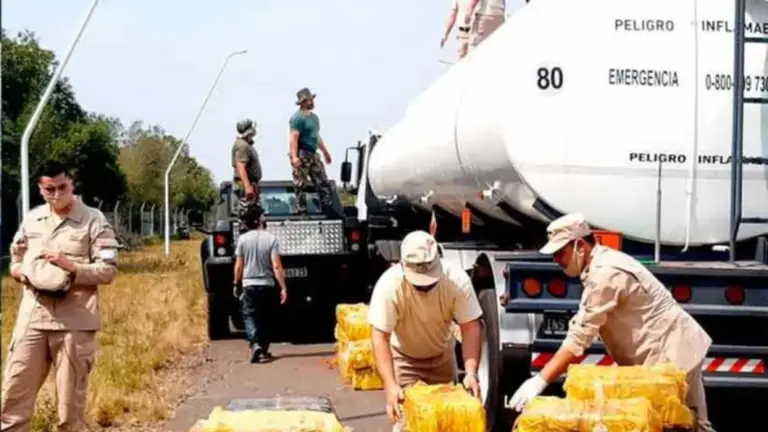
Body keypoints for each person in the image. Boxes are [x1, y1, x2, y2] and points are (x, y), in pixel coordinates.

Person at [508, 213, 714, 432]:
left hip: (671, 353)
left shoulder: (605, 274)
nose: (556, 260)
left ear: (580, 245)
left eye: (559, 253)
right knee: (687, 424)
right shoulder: (602, 263)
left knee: (672, 424)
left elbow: (579, 338)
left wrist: (541, 380)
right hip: (667, 351)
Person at [2, 160, 119, 431]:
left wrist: (72, 268)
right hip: (33, 318)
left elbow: (109, 271)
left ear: (72, 184)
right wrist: (23, 273)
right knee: (12, 399)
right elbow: (16, 259)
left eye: (62, 187)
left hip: (73, 322)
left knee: (70, 411)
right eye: (49, 189)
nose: (56, 194)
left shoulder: (94, 220)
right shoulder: (32, 219)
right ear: (40, 189)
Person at [367, 230, 484, 427]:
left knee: (447, 423)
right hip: (405, 360)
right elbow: (380, 336)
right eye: (418, 284)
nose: (424, 288)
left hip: (442, 358)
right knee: (409, 424)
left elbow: (470, 326)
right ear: (402, 266)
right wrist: (390, 386)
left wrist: (471, 373)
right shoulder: (389, 286)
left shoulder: (456, 281)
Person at [233, 206, 288, 363]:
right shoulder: (271, 239)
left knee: (250, 315)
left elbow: (239, 266)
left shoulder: (242, 240)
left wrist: (236, 282)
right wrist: (283, 287)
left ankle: (255, 343)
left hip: (249, 284)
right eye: (263, 216)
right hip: (267, 284)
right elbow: (276, 266)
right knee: (266, 318)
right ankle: (263, 348)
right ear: (259, 220)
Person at [288, 87, 334, 217]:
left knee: (322, 181)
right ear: (303, 102)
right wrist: (294, 157)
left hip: (313, 153)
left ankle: (327, 207)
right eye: (309, 100)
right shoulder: (297, 118)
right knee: (300, 184)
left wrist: (325, 152)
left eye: (312, 99)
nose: (312, 102)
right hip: (302, 153)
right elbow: (294, 138)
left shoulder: (314, 118)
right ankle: (301, 210)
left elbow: (316, 136)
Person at [231, 118, 263, 231]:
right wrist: (247, 186)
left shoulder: (246, 144)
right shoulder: (242, 146)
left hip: (250, 183)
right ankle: (246, 236)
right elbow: (241, 166)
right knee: (246, 215)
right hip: (245, 185)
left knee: (254, 214)